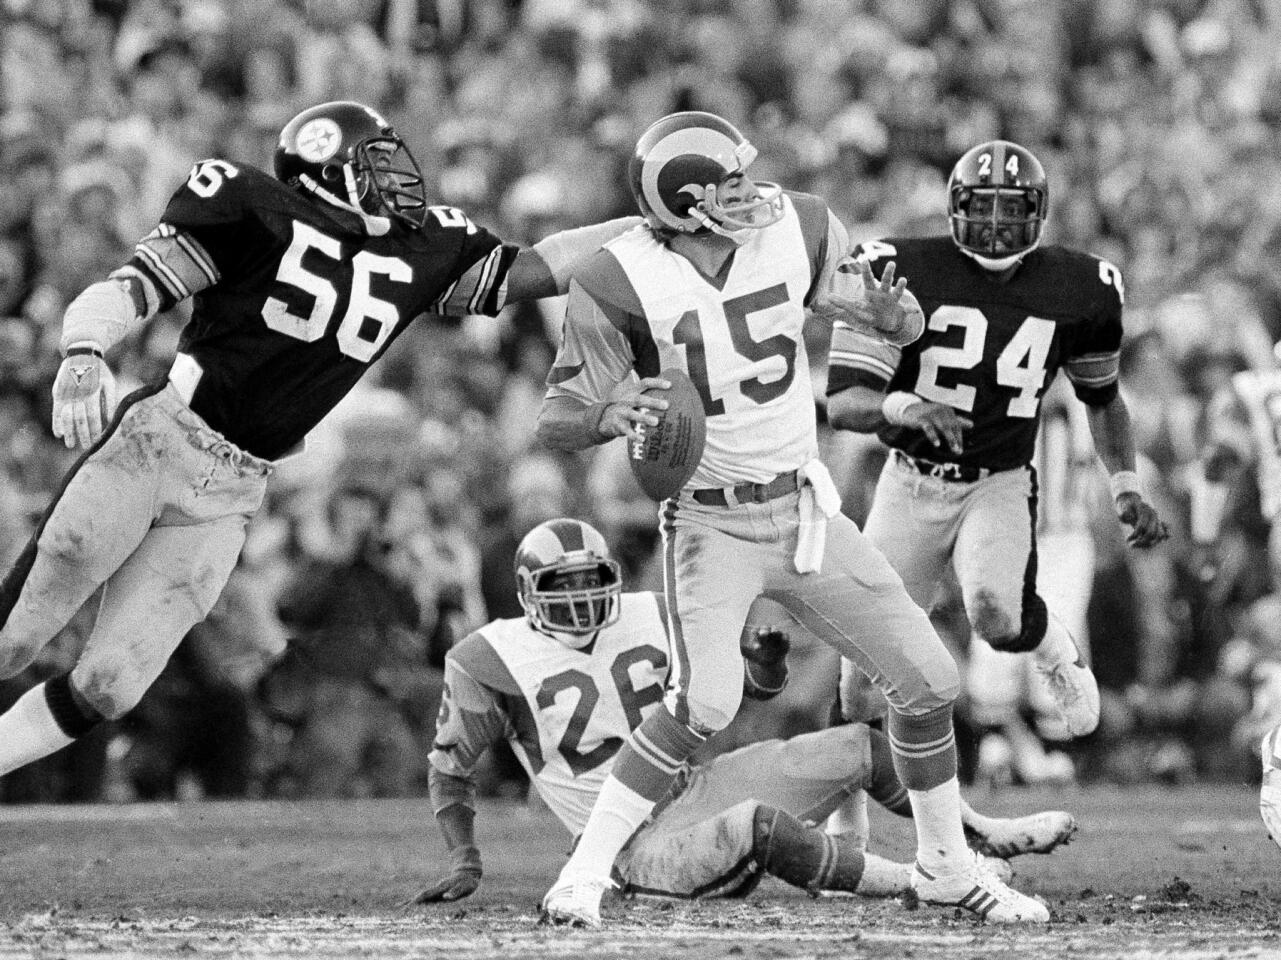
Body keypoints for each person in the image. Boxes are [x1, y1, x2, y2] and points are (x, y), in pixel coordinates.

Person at [0, 101, 631, 794]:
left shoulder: (424, 245)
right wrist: (85, 349)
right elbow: (135, 285)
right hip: (159, 440)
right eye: (374, 162)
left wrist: (650, 225)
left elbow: (543, 266)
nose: (397, 176)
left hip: (237, 487)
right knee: (14, 640)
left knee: (110, 684)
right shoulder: (248, 204)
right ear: (324, 173)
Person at [533, 111, 1049, 925]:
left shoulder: (798, 226)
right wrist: (610, 414)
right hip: (709, 523)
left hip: (803, 510)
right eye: (730, 184)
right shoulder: (616, 277)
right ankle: (583, 874)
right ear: (689, 202)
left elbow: (897, 323)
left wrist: (894, 318)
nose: (753, 193)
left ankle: (947, 868)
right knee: (702, 702)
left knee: (929, 681)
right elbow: (558, 419)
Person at [414, 518, 1076, 905]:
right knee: (757, 827)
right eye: (566, 587)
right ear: (529, 593)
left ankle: (973, 835)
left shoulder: (652, 613)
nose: (583, 600)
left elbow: (750, 691)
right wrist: (463, 858)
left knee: (862, 745)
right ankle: (918, 880)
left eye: (593, 582)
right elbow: (450, 768)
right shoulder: (487, 658)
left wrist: (762, 664)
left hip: (693, 786)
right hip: (630, 845)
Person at [824, 140, 1169, 754]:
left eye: (1012, 210)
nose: (994, 224)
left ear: (1039, 213)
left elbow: (1102, 398)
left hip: (1001, 477)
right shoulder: (897, 269)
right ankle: (847, 819)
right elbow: (847, 404)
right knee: (861, 678)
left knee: (995, 614)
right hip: (910, 479)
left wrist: (1126, 486)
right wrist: (910, 406)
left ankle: (1054, 647)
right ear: (954, 207)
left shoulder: (1081, 286)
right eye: (981, 208)